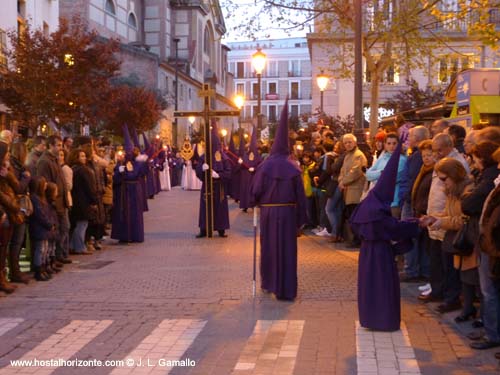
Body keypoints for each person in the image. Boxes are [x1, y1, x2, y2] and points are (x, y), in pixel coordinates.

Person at [350, 138, 420, 331]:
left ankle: (370, 318)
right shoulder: (378, 209)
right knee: (383, 286)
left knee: (369, 286)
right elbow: (392, 228)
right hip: (380, 252)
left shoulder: (369, 204)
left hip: (367, 252)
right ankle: (383, 320)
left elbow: (355, 224)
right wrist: (416, 224)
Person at [250, 101, 307, 301]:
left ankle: (269, 283)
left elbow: (255, 190)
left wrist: (255, 202)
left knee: (269, 248)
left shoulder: (264, 167)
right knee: (288, 249)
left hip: (268, 214)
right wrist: (302, 219)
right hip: (289, 214)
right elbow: (301, 196)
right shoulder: (294, 168)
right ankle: (287, 289)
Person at [423, 158, 475, 315]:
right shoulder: (452, 191)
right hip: (451, 236)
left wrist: (440, 221)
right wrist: (433, 217)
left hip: (462, 238)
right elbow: (448, 212)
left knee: (460, 274)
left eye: (444, 179)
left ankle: (458, 302)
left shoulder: (466, 190)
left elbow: (462, 219)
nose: (442, 183)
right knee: (449, 269)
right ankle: (452, 299)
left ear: (454, 175)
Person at [195, 123, 231, 238]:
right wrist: (202, 169)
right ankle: (204, 229)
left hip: (219, 187)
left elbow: (229, 172)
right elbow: (198, 171)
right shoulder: (204, 157)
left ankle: (221, 229)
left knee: (219, 208)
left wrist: (219, 175)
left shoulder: (224, 157)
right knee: (205, 207)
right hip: (207, 186)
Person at [111, 125, 146, 243]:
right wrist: (119, 172)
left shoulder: (138, 163)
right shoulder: (121, 163)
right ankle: (124, 235)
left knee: (134, 213)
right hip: (123, 191)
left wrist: (145, 162)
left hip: (134, 190)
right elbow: (115, 179)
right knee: (123, 213)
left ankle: (135, 235)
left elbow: (141, 173)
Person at [366, 132, 407, 218]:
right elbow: (368, 175)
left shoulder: (402, 160)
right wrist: (381, 172)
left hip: (393, 201)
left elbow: (390, 180)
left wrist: (377, 177)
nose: (391, 146)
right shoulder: (382, 158)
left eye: (394, 143)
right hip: (380, 200)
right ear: (385, 144)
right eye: (389, 143)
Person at [338, 133, 367, 248]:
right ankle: (354, 238)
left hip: (356, 190)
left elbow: (355, 172)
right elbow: (342, 171)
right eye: (345, 143)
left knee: (355, 216)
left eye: (350, 142)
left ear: (355, 142)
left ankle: (358, 240)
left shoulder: (358, 155)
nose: (348, 144)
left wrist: (343, 182)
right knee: (351, 216)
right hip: (348, 191)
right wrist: (341, 181)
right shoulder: (347, 155)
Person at [69, 149, 97, 255]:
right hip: (83, 201)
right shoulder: (83, 170)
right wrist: (93, 200)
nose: (84, 158)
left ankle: (72, 245)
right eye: (81, 156)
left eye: (84, 156)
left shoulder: (74, 169)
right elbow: (89, 187)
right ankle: (79, 247)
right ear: (76, 157)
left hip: (76, 200)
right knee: (82, 224)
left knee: (78, 225)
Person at [238, 126, 262, 212]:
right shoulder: (245, 156)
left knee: (253, 189)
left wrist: (255, 168)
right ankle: (245, 205)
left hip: (254, 177)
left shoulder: (258, 157)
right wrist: (240, 163)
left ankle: (254, 204)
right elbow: (241, 167)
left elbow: (260, 166)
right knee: (245, 190)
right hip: (246, 176)